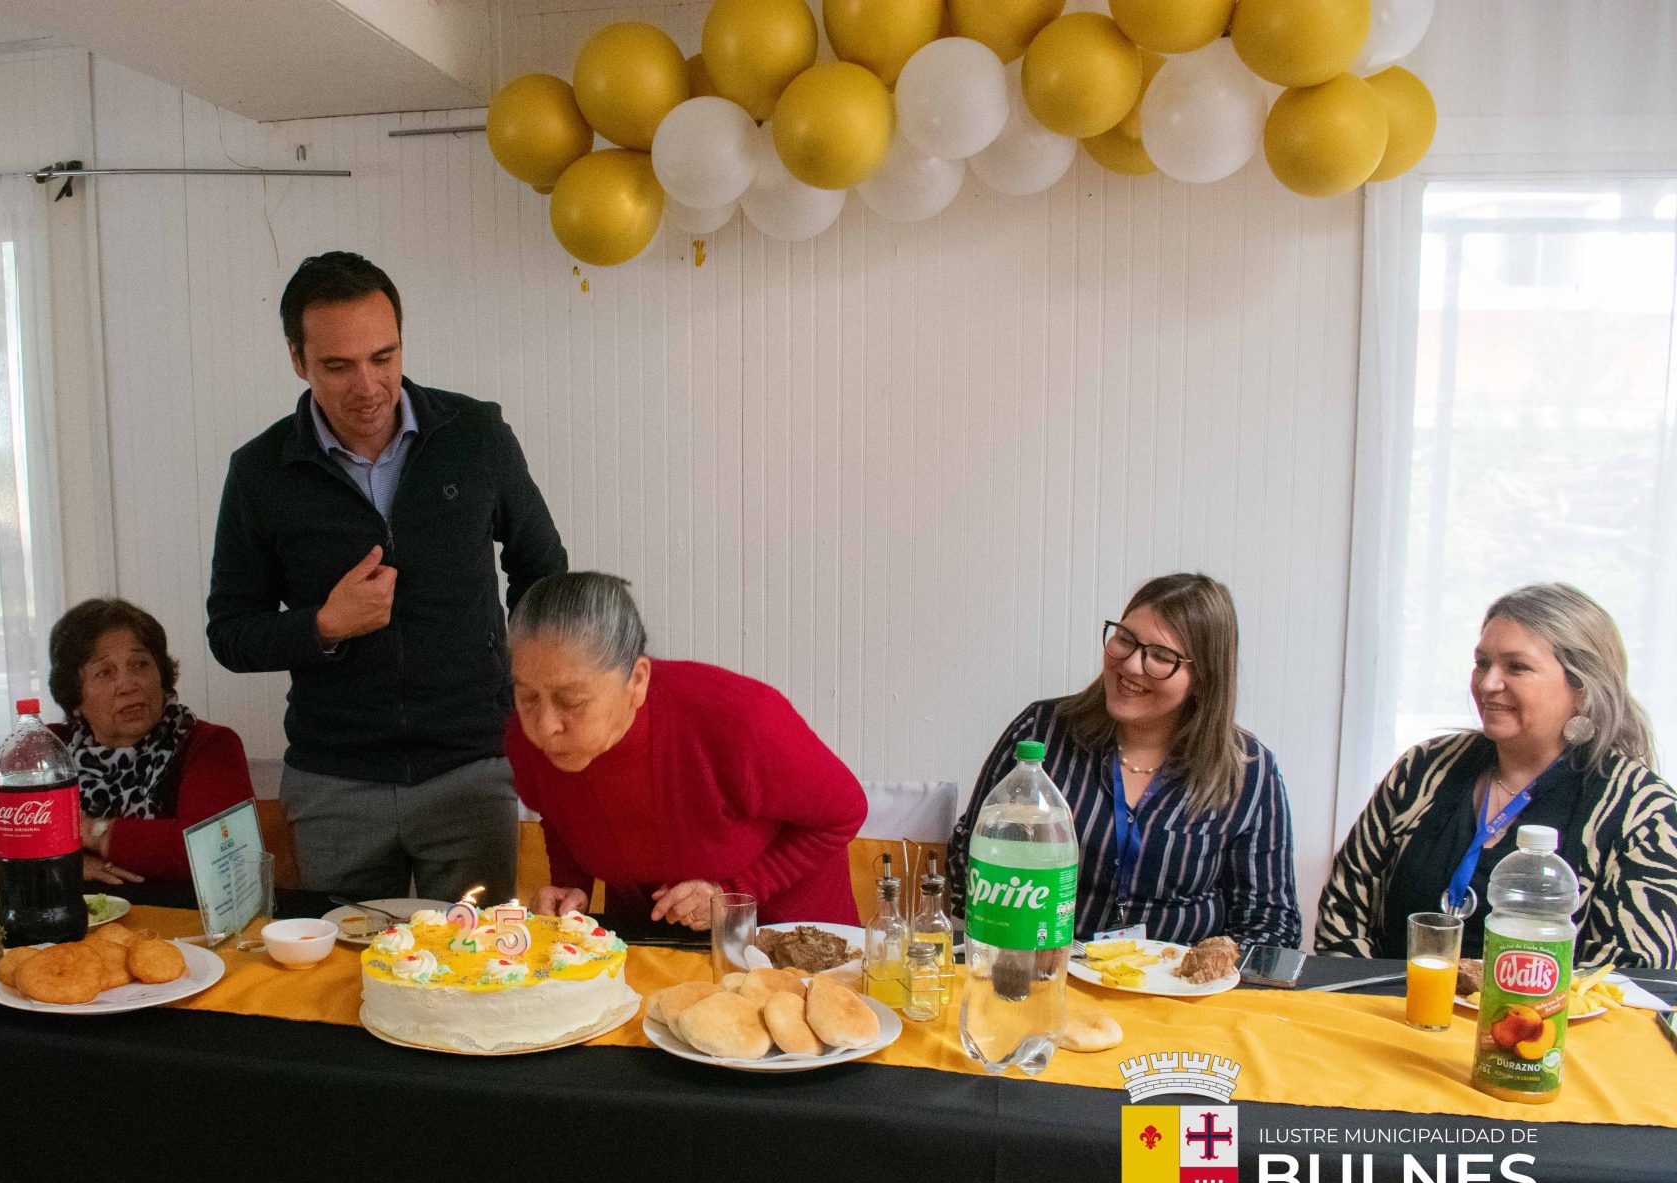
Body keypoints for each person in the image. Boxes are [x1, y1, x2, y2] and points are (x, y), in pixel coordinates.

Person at [207, 251, 566, 905]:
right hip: (334, 782)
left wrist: (520, 683)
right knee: (344, 967)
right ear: (298, 360)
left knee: (475, 964)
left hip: (471, 769)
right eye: (338, 366)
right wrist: (323, 626)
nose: (368, 385)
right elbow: (230, 633)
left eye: (383, 357)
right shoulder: (259, 471)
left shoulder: (476, 435)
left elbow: (542, 569)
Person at [1319, 584, 1677, 969]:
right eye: (1482, 663)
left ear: (1582, 688)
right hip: (1390, 1004)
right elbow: (1342, 914)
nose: (1488, 683)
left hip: (1545, 1011)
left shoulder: (1642, 810)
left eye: (1517, 667)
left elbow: (1631, 974)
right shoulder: (1422, 768)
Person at [947, 573, 1299, 948]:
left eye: (1161, 656)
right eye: (1126, 640)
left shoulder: (1247, 771)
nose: (1131, 665)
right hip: (1047, 968)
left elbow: (1271, 923)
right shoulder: (1041, 733)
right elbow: (966, 856)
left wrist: (1205, 969)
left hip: (1175, 981)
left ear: (1203, 678)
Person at [506, 572, 866, 934]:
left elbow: (845, 811)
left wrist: (733, 892)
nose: (545, 726)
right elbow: (562, 813)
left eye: (572, 701)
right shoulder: (526, 739)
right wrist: (572, 887)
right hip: (652, 931)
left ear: (637, 680)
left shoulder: (740, 721)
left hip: (786, 932)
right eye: (527, 696)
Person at [0, 599, 255, 885]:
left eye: (141, 664)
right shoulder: (45, 750)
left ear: (162, 676)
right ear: (75, 698)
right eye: (105, 673)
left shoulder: (209, 746)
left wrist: (91, 831)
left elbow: (217, 850)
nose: (128, 684)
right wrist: (59, 862)